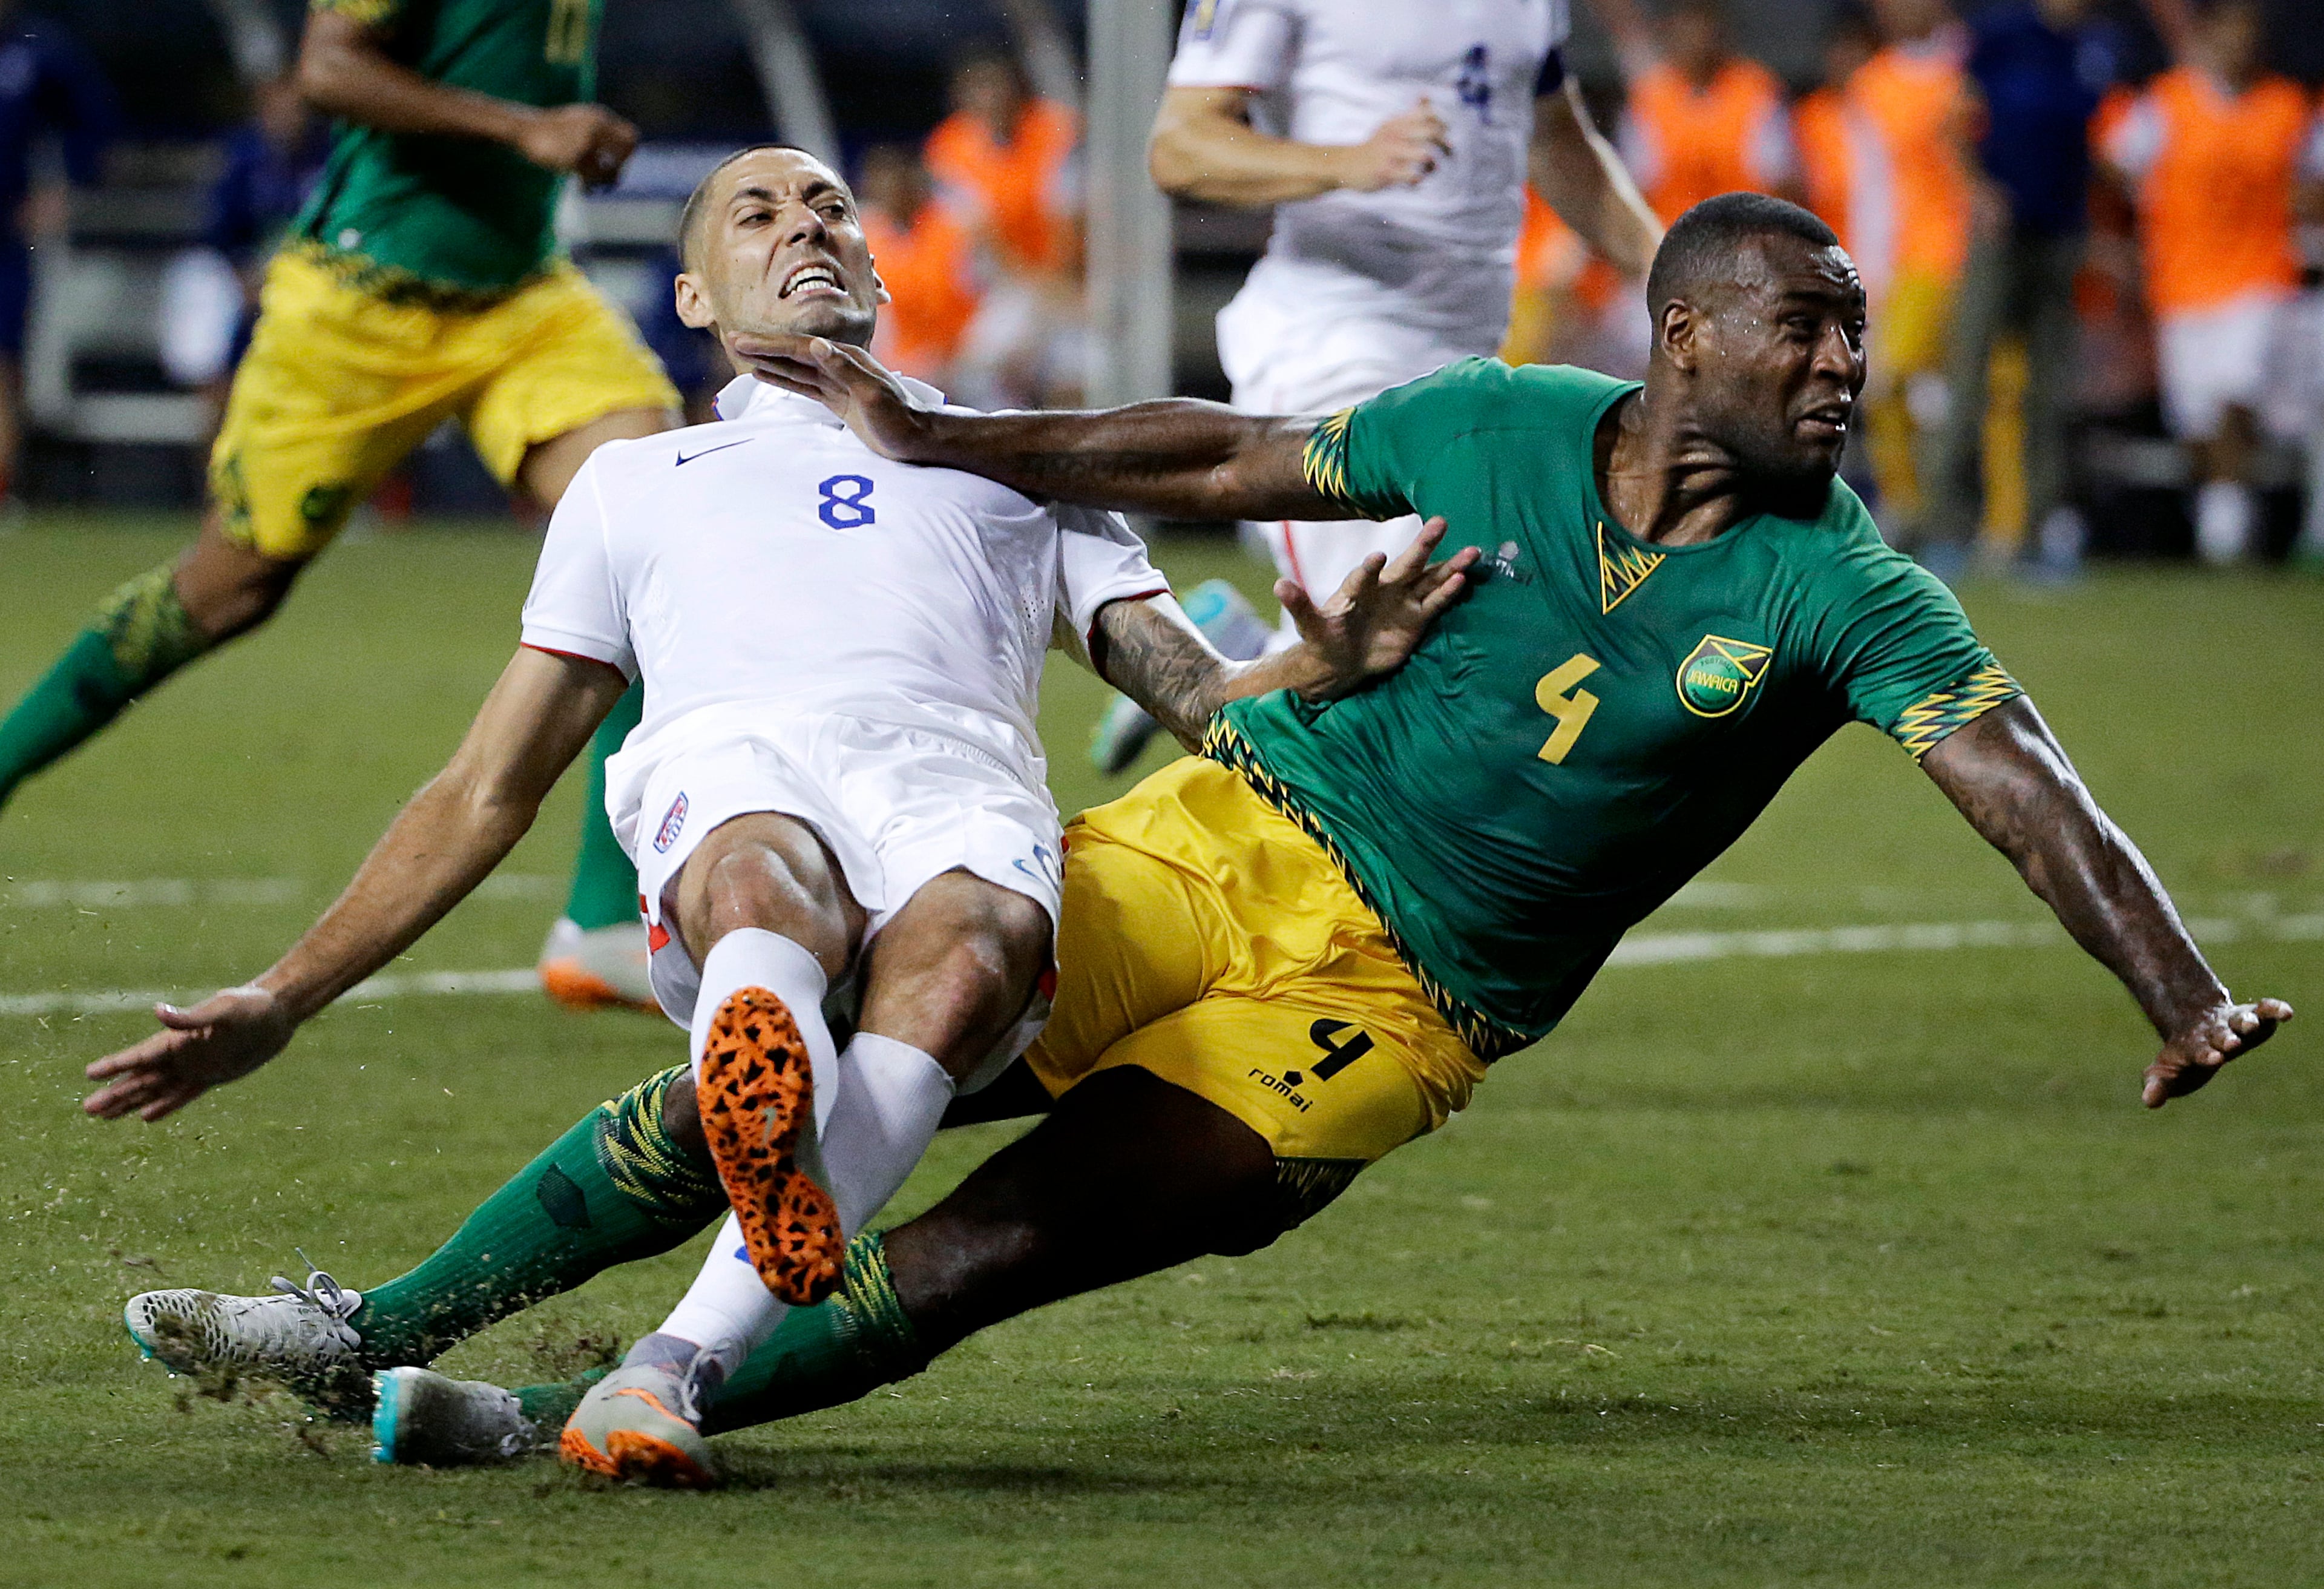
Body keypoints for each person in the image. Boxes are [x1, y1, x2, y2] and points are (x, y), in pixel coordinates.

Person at [122, 196, 2293, 1486]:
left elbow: (2020, 771)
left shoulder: (1849, 585)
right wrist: (948, 434)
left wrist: (2175, 983)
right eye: (1802, 327)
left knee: (999, 1248)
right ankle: (384, 1317)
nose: (1841, 364)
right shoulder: (1502, 423)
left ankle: (594, 1403)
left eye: (1846, 331)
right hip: (1229, 834)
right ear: (1683, 337)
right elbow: (1227, 447)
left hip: (1405, 1009)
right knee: (871, 1054)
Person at [90, 142, 1468, 1489]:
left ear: (874, 266)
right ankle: (695, 1265)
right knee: (762, 877)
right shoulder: (635, 483)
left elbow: (1197, 694)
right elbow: (484, 788)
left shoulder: (1018, 464)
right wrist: (285, 995)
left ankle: (669, 1332)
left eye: (826, 209)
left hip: (959, 796)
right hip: (740, 771)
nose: (802, 226)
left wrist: (1324, 665)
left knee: (971, 947)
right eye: (754, 215)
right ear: (692, 299)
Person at [0, 0, 680, 1016]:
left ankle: (599, 924)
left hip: (520, 294)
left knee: (658, 528)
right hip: (364, 300)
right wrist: (524, 129)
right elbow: (329, 67)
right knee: (229, 589)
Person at [1091, 0, 1663, 775]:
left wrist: (1682, 276)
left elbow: (1560, 144)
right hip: (1332, 356)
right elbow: (1180, 146)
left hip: (1469, 374)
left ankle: (1242, 653)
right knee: (1411, 661)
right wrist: (1344, 161)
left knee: (1448, 649)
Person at [2099, 0, 2316, 564]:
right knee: (2195, 420)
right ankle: (2224, 517)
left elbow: (2312, 178)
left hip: (2260, 277)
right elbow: (2116, 160)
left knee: (2234, 394)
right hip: (2183, 282)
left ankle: (2226, 535)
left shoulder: (2286, 105)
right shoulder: (2169, 103)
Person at [1923, 0, 2119, 574]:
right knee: (1969, 381)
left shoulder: (2095, 46)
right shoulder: (2004, 35)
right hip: (2000, 238)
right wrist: (1979, 191)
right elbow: (1953, 125)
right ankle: (1947, 530)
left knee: (2051, 395)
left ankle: (2039, 536)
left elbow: (2089, 144)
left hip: (2062, 235)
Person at [1846, 0, 1974, 536]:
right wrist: (1870, 270)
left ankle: (2007, 527)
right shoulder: (1872, 85)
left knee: (1998, 393)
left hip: (1978, 255)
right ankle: (1911, 508)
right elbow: (1872, 185)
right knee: (1889, 384)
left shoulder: (1971, 62)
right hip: (1918, 259)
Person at [0, 0, 116, 508]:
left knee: (4, 361)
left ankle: (3, 487)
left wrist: (65, 188)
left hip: (4, 230)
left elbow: (96, 123)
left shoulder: (37, 48)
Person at [923, 49, 1083, 412]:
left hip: (1075, 275)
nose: (991, 99)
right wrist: (1039, 287)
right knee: (980, 372)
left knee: (1078, 373)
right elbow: (983, 237)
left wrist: (1058, 286)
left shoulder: (1054, 128)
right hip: (1011, 283)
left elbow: (1070, 217)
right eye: (978, 91)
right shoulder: (951, 147)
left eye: (998, 88)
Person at [856, 142, 982, 387]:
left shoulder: (955, 224)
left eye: (898, 185)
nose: (892, 195)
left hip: (966, 354)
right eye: (882, 188)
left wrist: (958, 358)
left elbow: (990, 299)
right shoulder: (864, 236)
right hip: (904, 362)